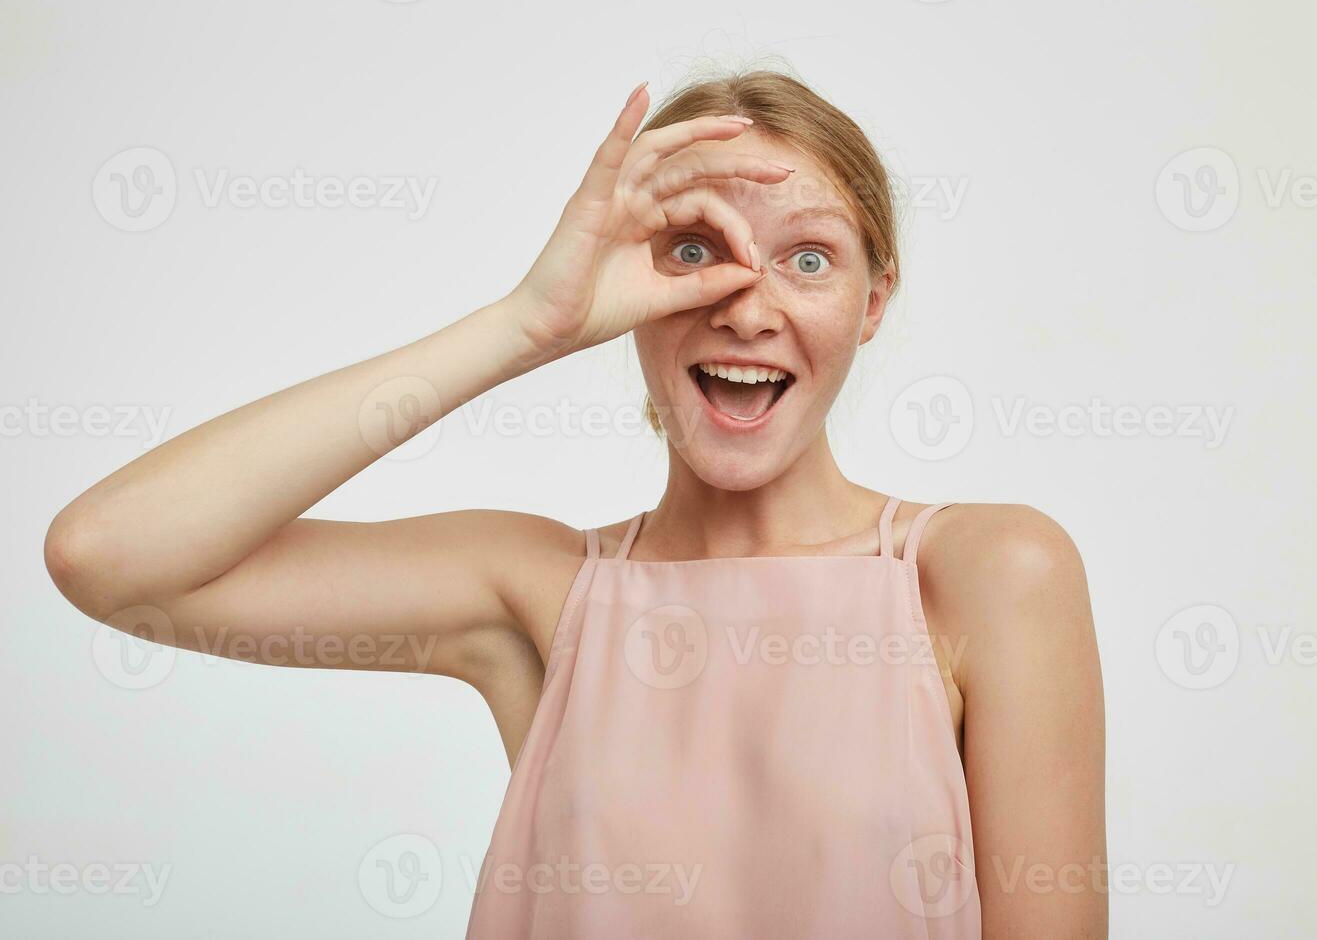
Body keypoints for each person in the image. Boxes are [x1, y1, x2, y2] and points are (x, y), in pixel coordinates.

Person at [44, 70, 1107, 938]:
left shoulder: (985, 572)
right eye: (695, 251)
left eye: (809, 258)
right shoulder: (543, 592)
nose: (747, 305)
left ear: (873, 302)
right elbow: (109, 553)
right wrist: (526, 324)